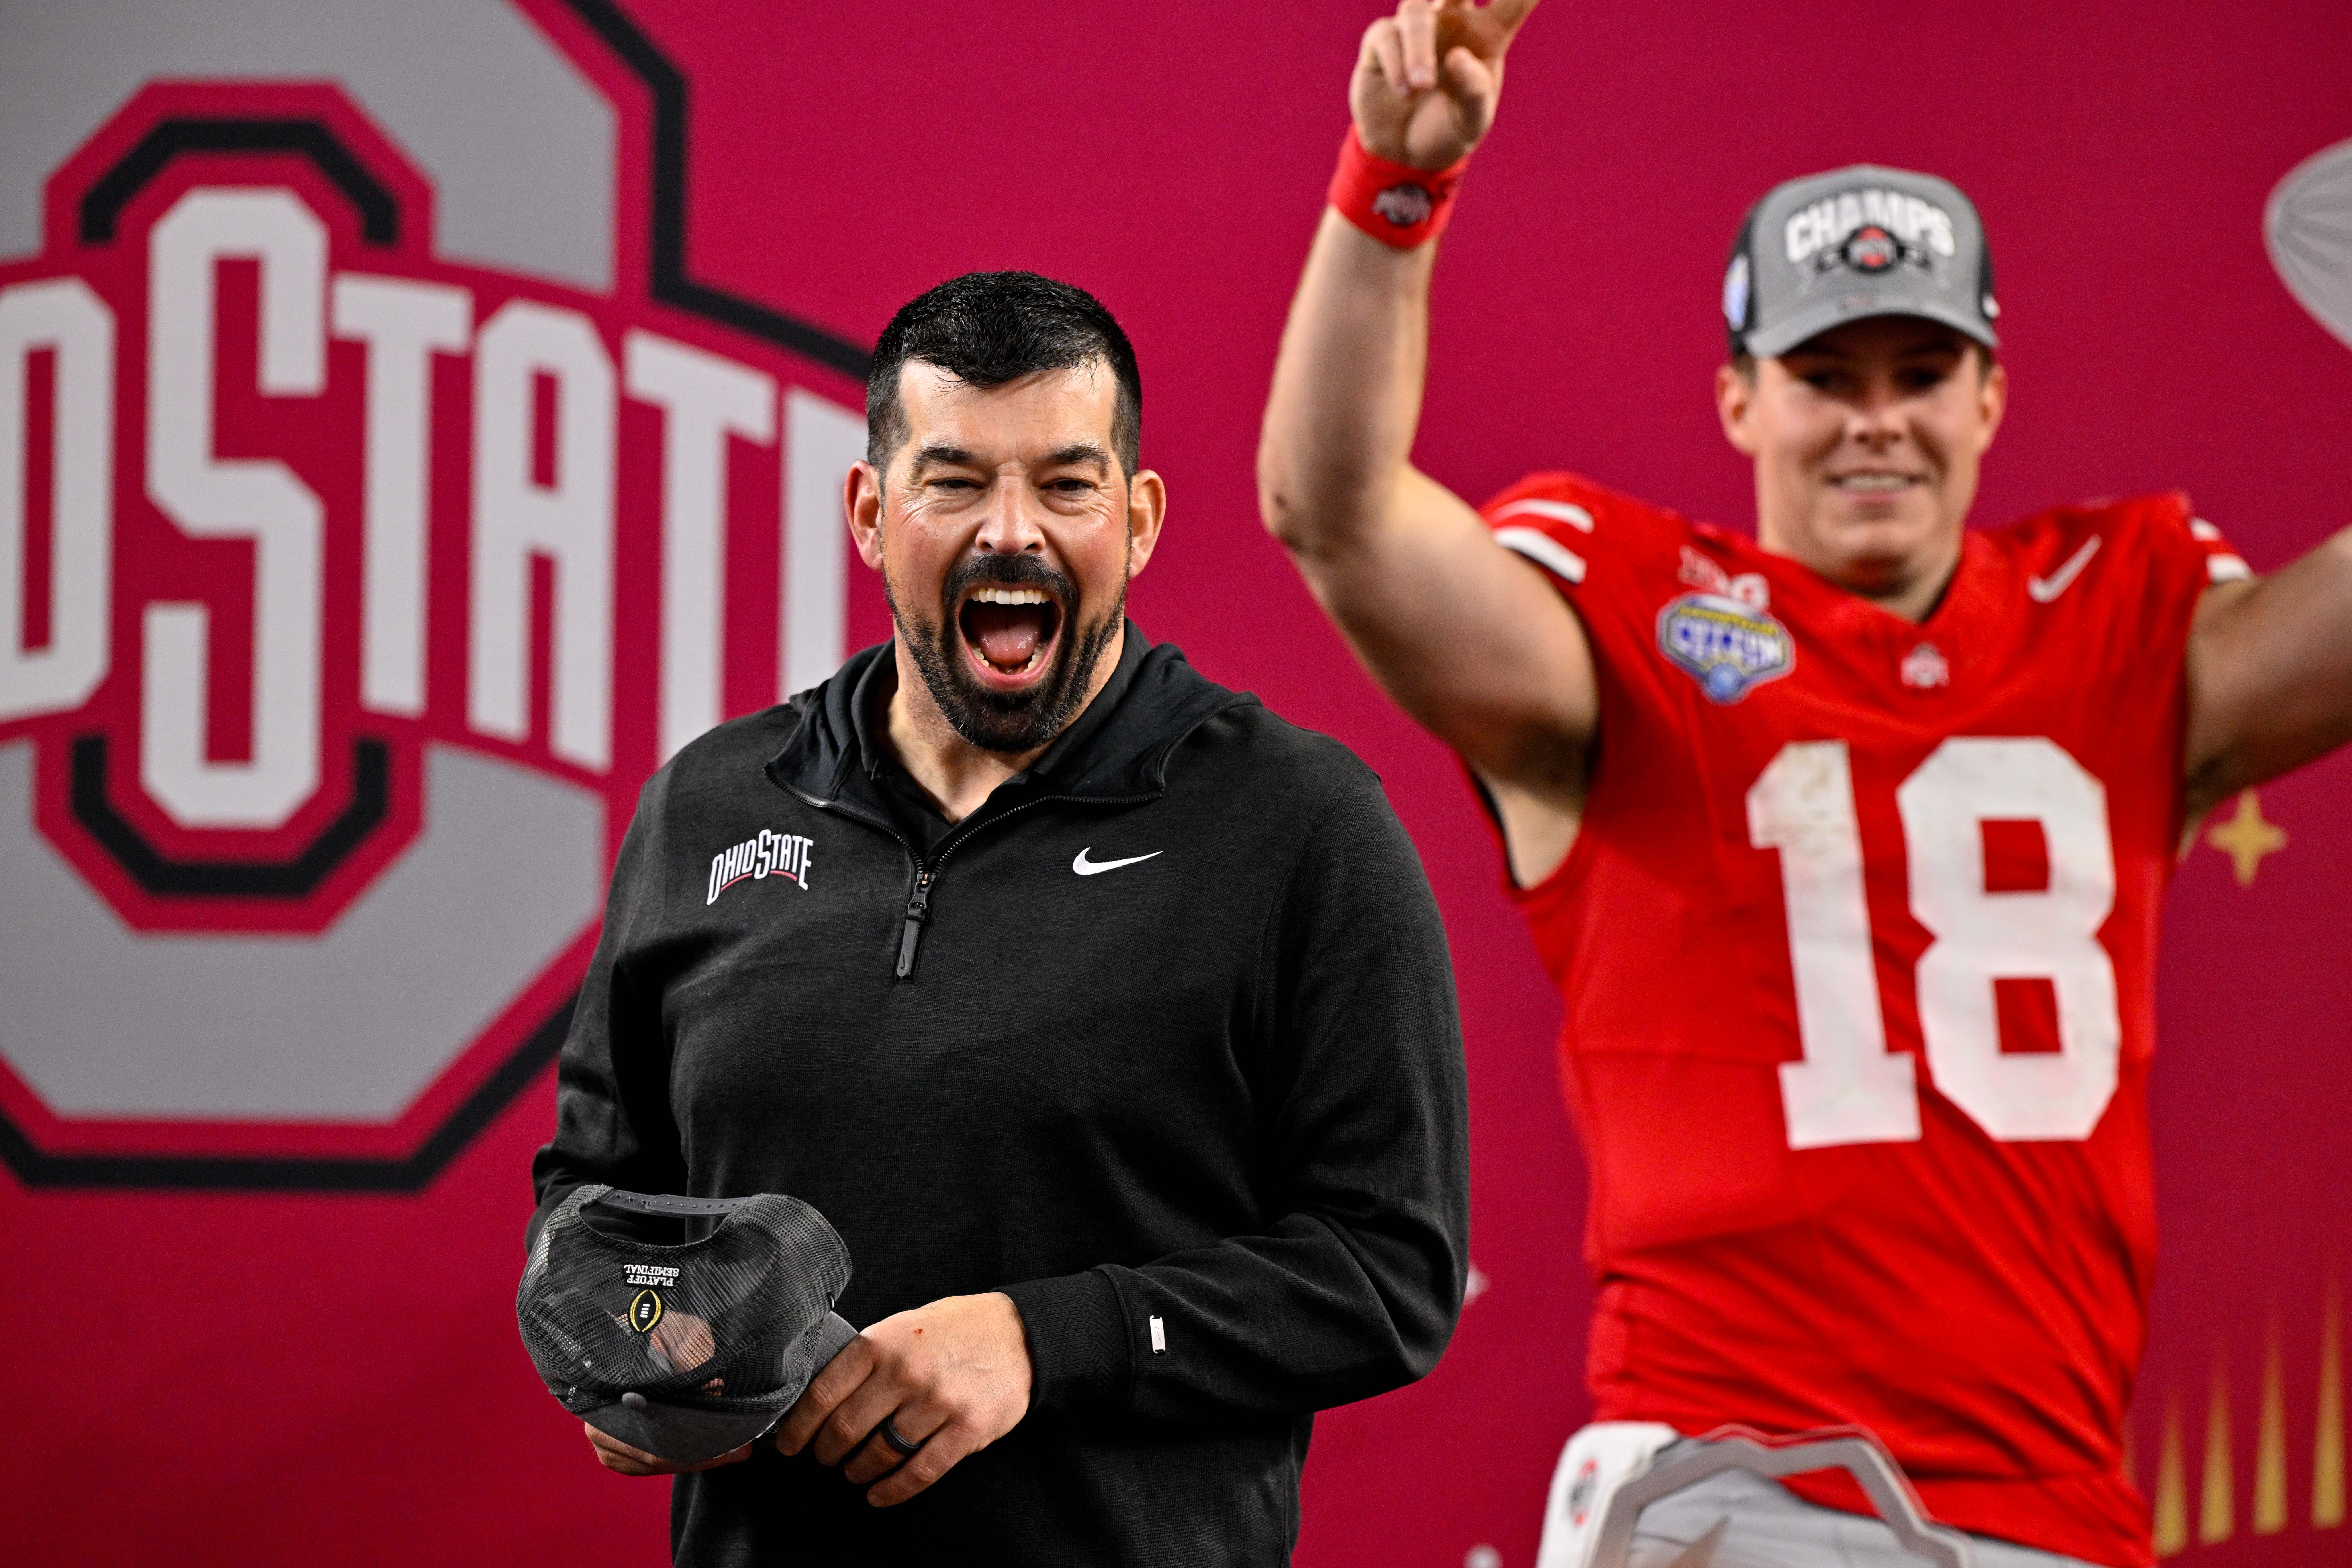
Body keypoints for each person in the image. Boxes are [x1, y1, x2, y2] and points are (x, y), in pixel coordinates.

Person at [1255, 4, 2352, 1566]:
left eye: (1923, 367)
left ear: (1988, 396)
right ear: (1741, 401)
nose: (1877, 418)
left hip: (2060, 1509)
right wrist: (1394, 186)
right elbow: (1338, 516)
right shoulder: (1631, 614)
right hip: (1739, 1483)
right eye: (1827, 373)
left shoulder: (2127, 616)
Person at [531, 270, 1469, 1566]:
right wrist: (642, 1350)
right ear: (871, 513)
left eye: (1067, 484)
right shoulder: (707, 806)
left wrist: (1046, 1339)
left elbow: (1390, 1271)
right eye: (955, 480)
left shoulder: (1299, 826)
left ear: (1137, 520)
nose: (1011, 531)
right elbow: (592, 1198)